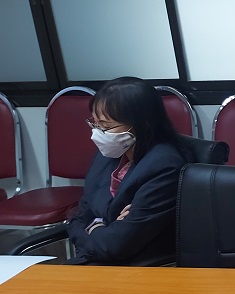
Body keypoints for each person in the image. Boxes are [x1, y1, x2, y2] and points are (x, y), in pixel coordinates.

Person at [65, 77, 185, 265]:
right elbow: (78, 218)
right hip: (97, 258)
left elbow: (117, 244)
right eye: (95, 124)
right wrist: (101, 227)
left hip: (134, 267)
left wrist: (94, 227)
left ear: (141, 124)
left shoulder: (165, 167)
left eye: (106, 126)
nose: (98, 133)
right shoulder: (107, 156)